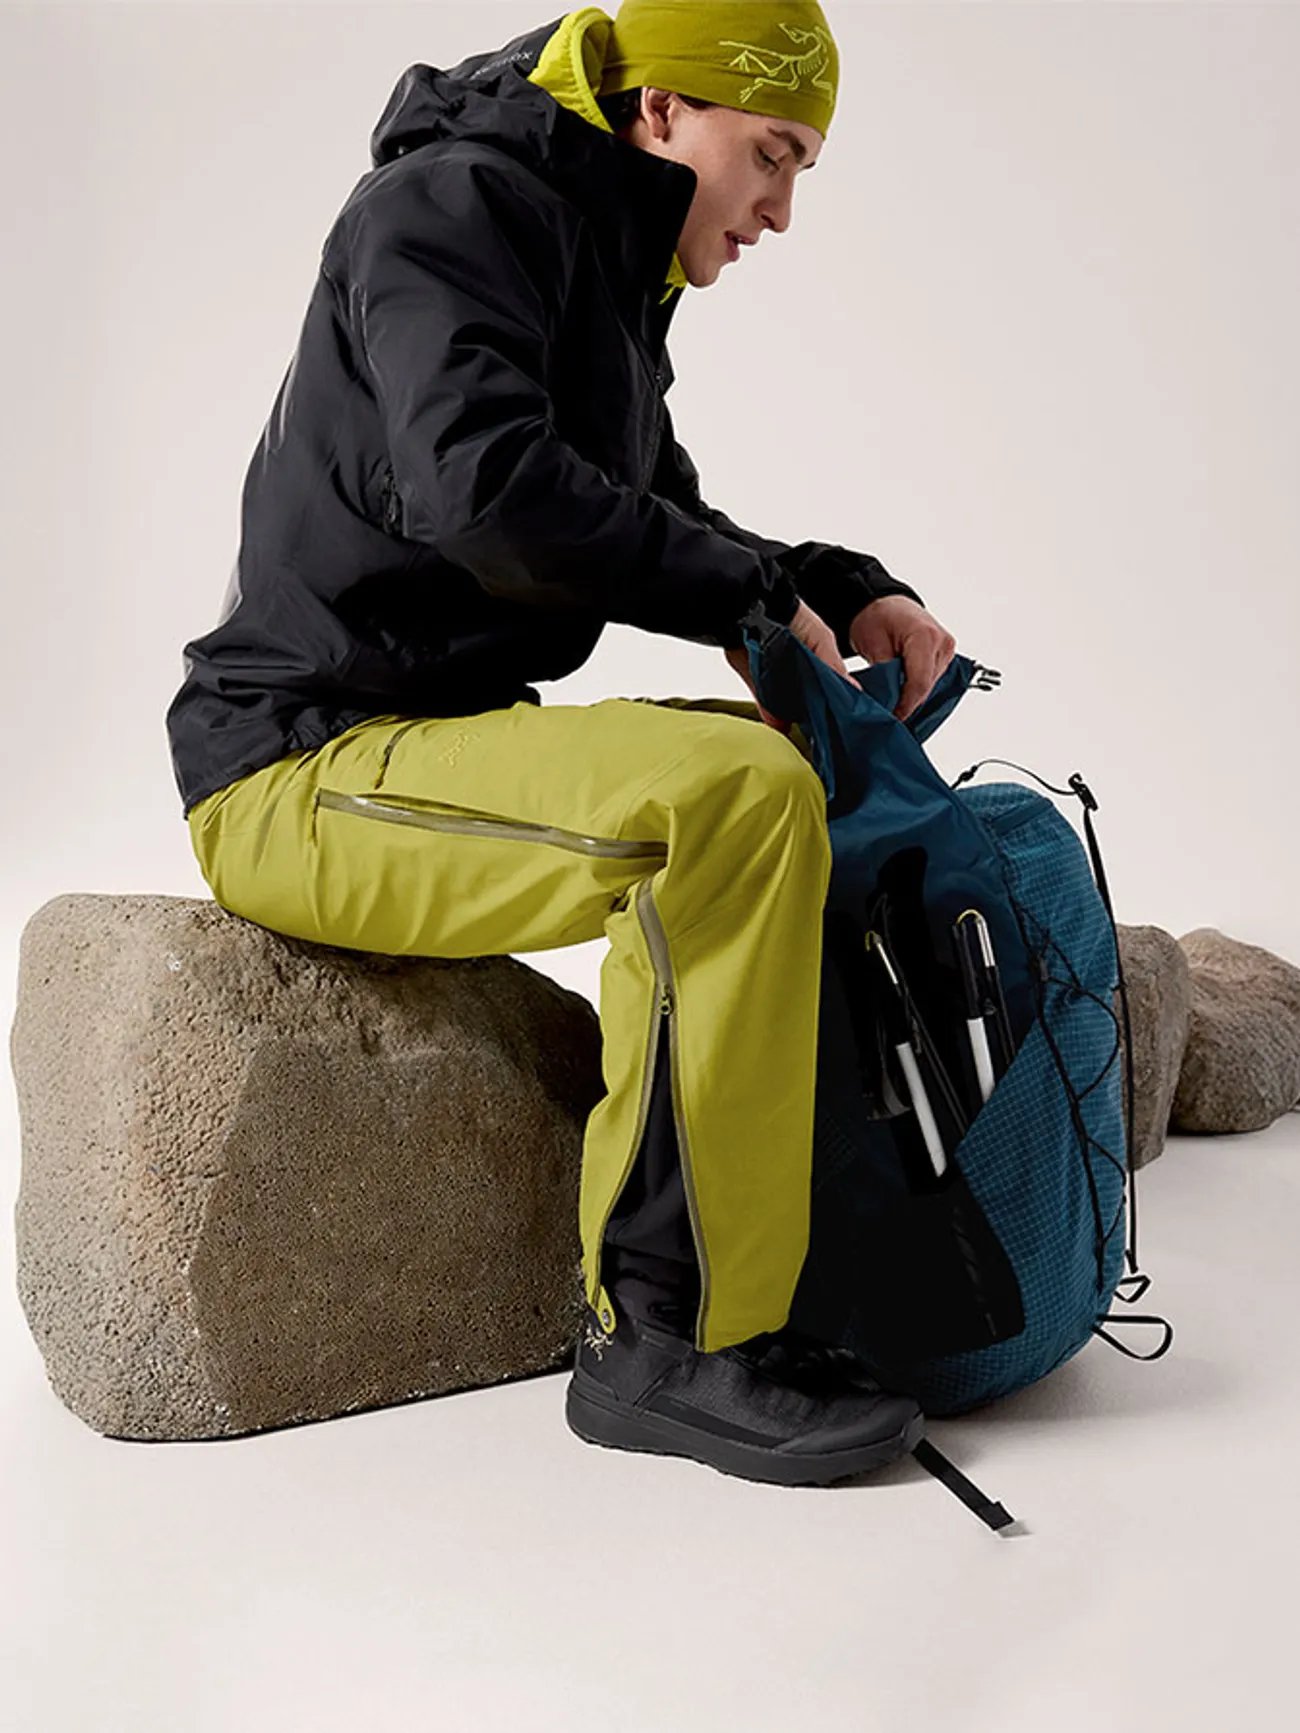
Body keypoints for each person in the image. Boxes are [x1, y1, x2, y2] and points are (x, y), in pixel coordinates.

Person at [166, 0, 958, 1486]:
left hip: (435, 747)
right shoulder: (448, 207)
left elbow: (655, 512)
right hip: (299, 772)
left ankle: (764, 1277)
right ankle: (666, 1340)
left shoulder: (592, 254)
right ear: (662, 112)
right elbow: (485, 491)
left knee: (767, 773)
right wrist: (742, 598)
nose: (782, 211)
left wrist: (838, 588)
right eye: (772, 154)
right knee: (728, 800)